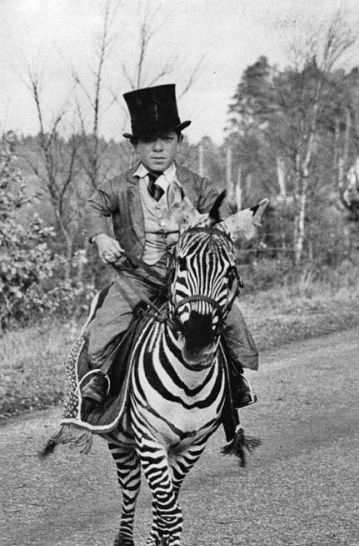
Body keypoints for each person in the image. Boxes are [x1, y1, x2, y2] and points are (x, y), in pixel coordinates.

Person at [81, 83, 258, 411]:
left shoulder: (197, 185)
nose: (158, 149)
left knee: (230, 316)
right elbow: (93, 207)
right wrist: (102, 237)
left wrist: (215, 233)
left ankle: (235, 377)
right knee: (108, 321)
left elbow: (223, 215)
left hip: (190, 278)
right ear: (135, 145)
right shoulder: (120, 187)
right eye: (149, 141)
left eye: (166, 139)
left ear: (178, 141)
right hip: (138, 278)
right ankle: (101, 376)